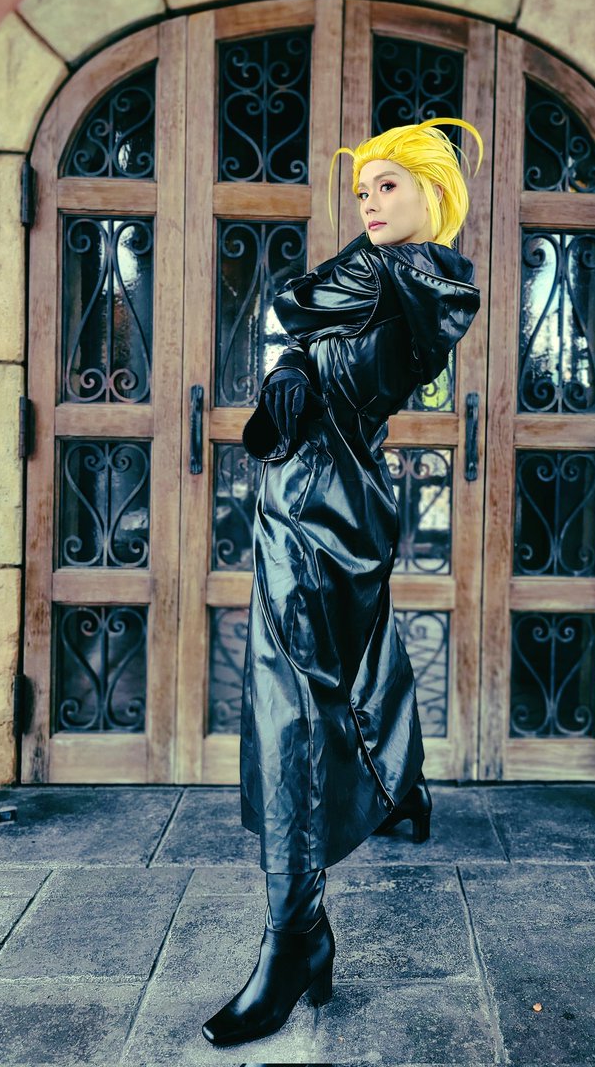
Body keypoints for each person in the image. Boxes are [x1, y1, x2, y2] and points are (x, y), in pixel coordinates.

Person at [202, 116, 483, 1047]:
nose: (368, 201)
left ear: (435, 192)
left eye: (388, 185)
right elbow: (308, 331)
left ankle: (294, 940)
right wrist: (292, 369)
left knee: (289, 707)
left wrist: (294, 349)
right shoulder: (387, 276)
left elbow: (295, 299)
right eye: (362, 189)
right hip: (326, 500)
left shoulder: (416, 273)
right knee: (363, 662)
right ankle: (403, 788)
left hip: (318, 514)